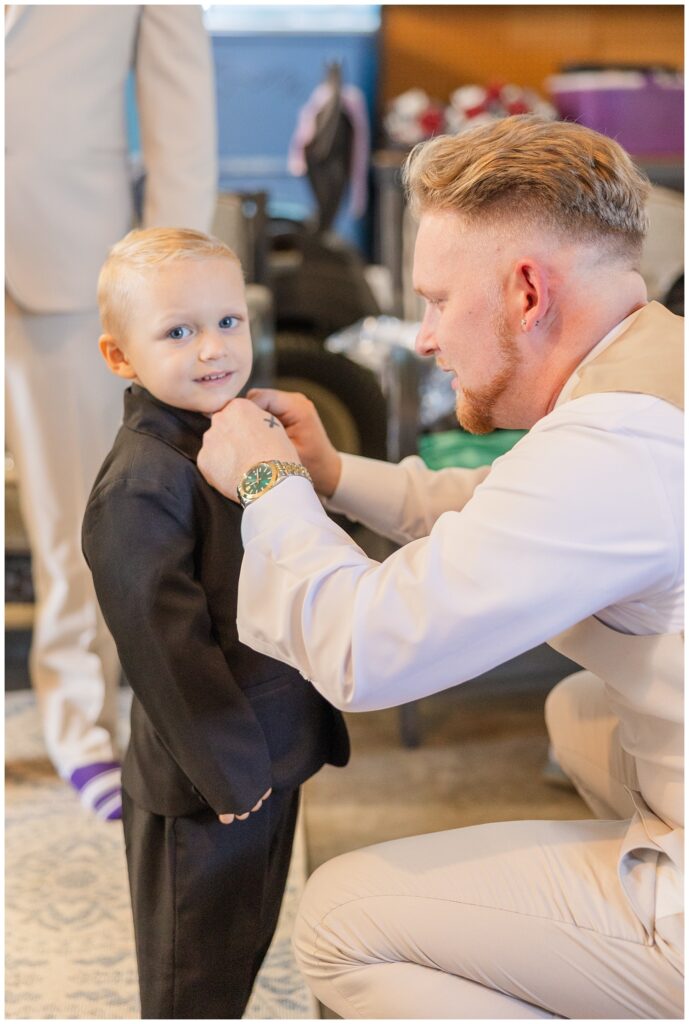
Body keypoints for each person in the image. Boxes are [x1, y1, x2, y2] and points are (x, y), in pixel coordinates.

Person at [197, 115, 683, 1018]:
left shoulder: (613, 451)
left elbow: (369, 651)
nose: (423, 338)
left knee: (342, 919)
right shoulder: (654, 365)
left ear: (527, 292)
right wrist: (332, 475)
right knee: (576, 711)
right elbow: (508, 514)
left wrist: (266, 483)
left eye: (435, 300)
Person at [81, 227, 349, 1018]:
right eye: (178, 331)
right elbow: (166, 649)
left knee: (245, 940)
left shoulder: (239, 434)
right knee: (191, 980)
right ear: (120, 357)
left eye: (228, 322)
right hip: (211, 779)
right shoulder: (140, 484)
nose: (213, 349)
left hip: (272, 752)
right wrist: (230, 773)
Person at [5, 4, 217, 820]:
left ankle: (79, 721)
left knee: (77, 513)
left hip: (62, 257)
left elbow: (181, 116)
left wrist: (172, 280)